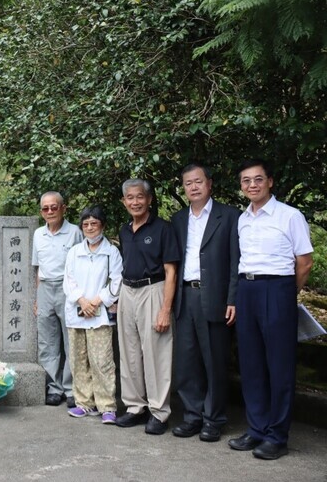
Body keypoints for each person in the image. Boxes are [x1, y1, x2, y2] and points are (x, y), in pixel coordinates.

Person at [228, 159, 313, 460]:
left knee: (279, 367)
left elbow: (304, 262)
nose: (252, 185)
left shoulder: (290, 216)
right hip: (247, 290)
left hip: (278, 289)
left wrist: (286, 293)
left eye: (258, 179)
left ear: (270, 182)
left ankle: (277, 436)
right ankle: (257, 429)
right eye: (246, 181)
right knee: (251, 365)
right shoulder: (243, 219)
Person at [170, 163, 240, 443]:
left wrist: (233, 298)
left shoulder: (230, 216)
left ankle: (214, 419)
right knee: (187, 361)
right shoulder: (177, 219)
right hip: (185, 296)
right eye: (188, 183)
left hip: (215, 297)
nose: (194, 187)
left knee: (214, 360)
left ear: (210, 184)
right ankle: (192, 416)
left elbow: (237, 262)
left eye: (198, 181)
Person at [115, 179, 180, 435]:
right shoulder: (124, 230)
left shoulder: (163, 228)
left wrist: (165, 308)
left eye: (139, 197)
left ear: (149, 199)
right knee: (129, 352)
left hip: (154, 290)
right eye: (130, 197)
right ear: (124, 201)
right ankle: (134, 407)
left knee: (156, 353)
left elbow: (171, 271)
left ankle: (159, 412)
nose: (135, 202)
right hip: (127, 291)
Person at [62, 206, 122, 424]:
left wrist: (96, 302)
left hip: (100, 315)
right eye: (85, 224)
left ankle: (107, 406)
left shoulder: (111, 252)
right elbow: (68, 281)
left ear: (102, 226)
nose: (89, 227)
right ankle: (84, 403)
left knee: (102, 361)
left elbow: (116, 282)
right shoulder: (74, 252)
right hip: (77, 313)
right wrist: (82, 301)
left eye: (94, 223)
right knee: (79, 361)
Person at [32, 191, 82, 407]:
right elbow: (38, 268)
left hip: (67, 289)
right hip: (45, 289)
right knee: (47, 342)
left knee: (71, 340)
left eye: (54, 207)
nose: (50, 211)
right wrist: (37, 296)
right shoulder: (38, 234)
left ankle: (72, 390)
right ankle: (54, 388)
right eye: (45, 208)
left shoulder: (75, 232)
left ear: (63, 208)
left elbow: (82, 266)